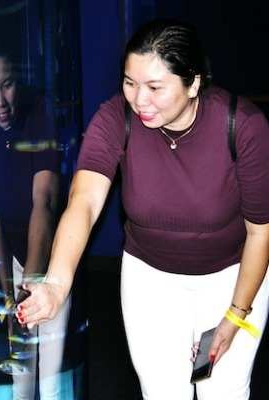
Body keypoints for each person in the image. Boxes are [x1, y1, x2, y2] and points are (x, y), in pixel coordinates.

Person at [16, 18, 269, 400]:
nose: (139, 100)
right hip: (151, 280)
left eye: (154, 87)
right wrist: (56, 284)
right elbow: (84, 202)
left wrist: (235, 315)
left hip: (233, 278)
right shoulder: (116, 118)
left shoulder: (243, 126)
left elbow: (260, 232)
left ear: (193, 83)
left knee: (224, 392)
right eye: (129, 82)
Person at [0, 31, 71, 400]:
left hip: (51, 265)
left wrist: (26, 294)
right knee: (21, 385)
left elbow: (43, 204)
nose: (0, 102)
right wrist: (7, 299)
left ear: (20, 80)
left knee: (50, 385)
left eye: (7, 86)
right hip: (17, 266)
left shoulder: (40, 113)